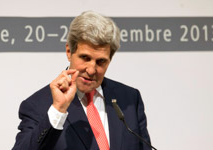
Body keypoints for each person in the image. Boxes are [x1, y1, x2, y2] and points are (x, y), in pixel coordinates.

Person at [12, 11, 151, 150]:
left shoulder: (129, 99)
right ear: (68, 52)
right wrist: (58, 110)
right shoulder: (38, 105)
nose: (91, 70)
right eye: (85, 58)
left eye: (101, 61)